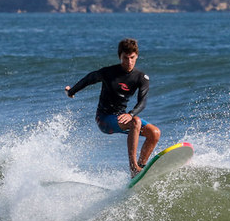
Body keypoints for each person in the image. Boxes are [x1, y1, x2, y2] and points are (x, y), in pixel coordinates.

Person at [65, 38, 161, 176]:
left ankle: (140, 168)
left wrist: (131, 113)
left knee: (154, 133)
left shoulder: (141, 78)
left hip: (122, 117)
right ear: (119, 56)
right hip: (104, 119)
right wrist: (71, 91)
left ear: (137, 56)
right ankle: (133, 167)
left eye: (132, 58)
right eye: (125, 58)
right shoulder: (108, 73)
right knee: (136, 122)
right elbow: (88, 79)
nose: (129, 62)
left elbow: (143, 102)